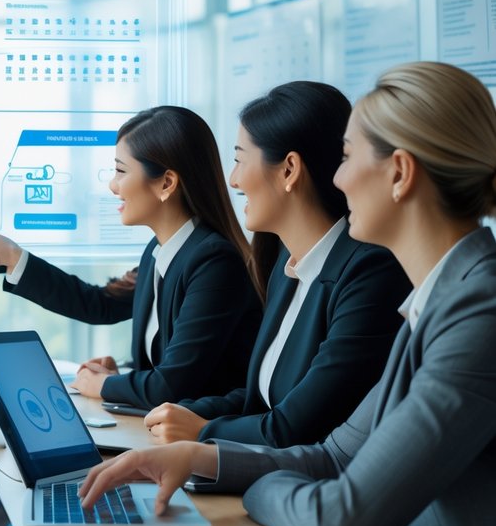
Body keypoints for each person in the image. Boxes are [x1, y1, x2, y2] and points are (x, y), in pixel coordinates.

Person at [79, 62, 496, 526]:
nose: (338, 178)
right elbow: (335, 457)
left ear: (399, 173)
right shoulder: (440, 298)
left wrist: (257, 484)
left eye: (347, 158)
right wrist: (197, 458)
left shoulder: (477, 311)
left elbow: (340, 514)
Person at [0, 106, 261, 408]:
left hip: (206, 446)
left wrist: (104, 386)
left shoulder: (215, 263)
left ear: (166, 183)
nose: (112, 185)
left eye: (120, 170)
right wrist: (12, 257)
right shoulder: (160, 251)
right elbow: (100, 303)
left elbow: (171, 386)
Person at [144, 82, 409, 446]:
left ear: (288, 170)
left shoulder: (370, 272)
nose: (234, 179)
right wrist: (185, 412)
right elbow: (260, 399)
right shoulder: (286, 260)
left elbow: (296, 426)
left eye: (239, 159)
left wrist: (203, 429)